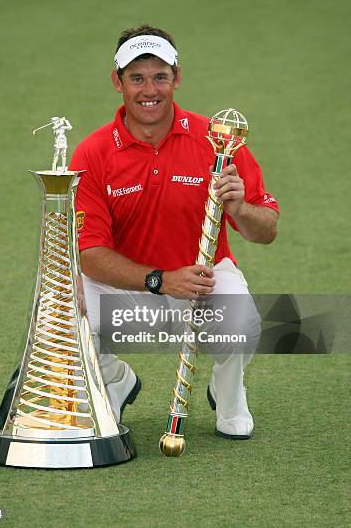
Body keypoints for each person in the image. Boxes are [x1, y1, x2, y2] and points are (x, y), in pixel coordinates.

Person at [69, 24, 279, 439]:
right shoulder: (93, 152)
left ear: (176, 78)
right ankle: (113, 378)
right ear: (118, 82)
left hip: (202, 280)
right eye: (137, 78)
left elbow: (266, 230)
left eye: (160, 76)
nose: (150, 89)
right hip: (131, 287)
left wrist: (240, 207)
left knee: (243, 322)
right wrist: (161, 280)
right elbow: (90, 252)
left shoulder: (217, 141)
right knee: (64, 311)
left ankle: (228, 392)